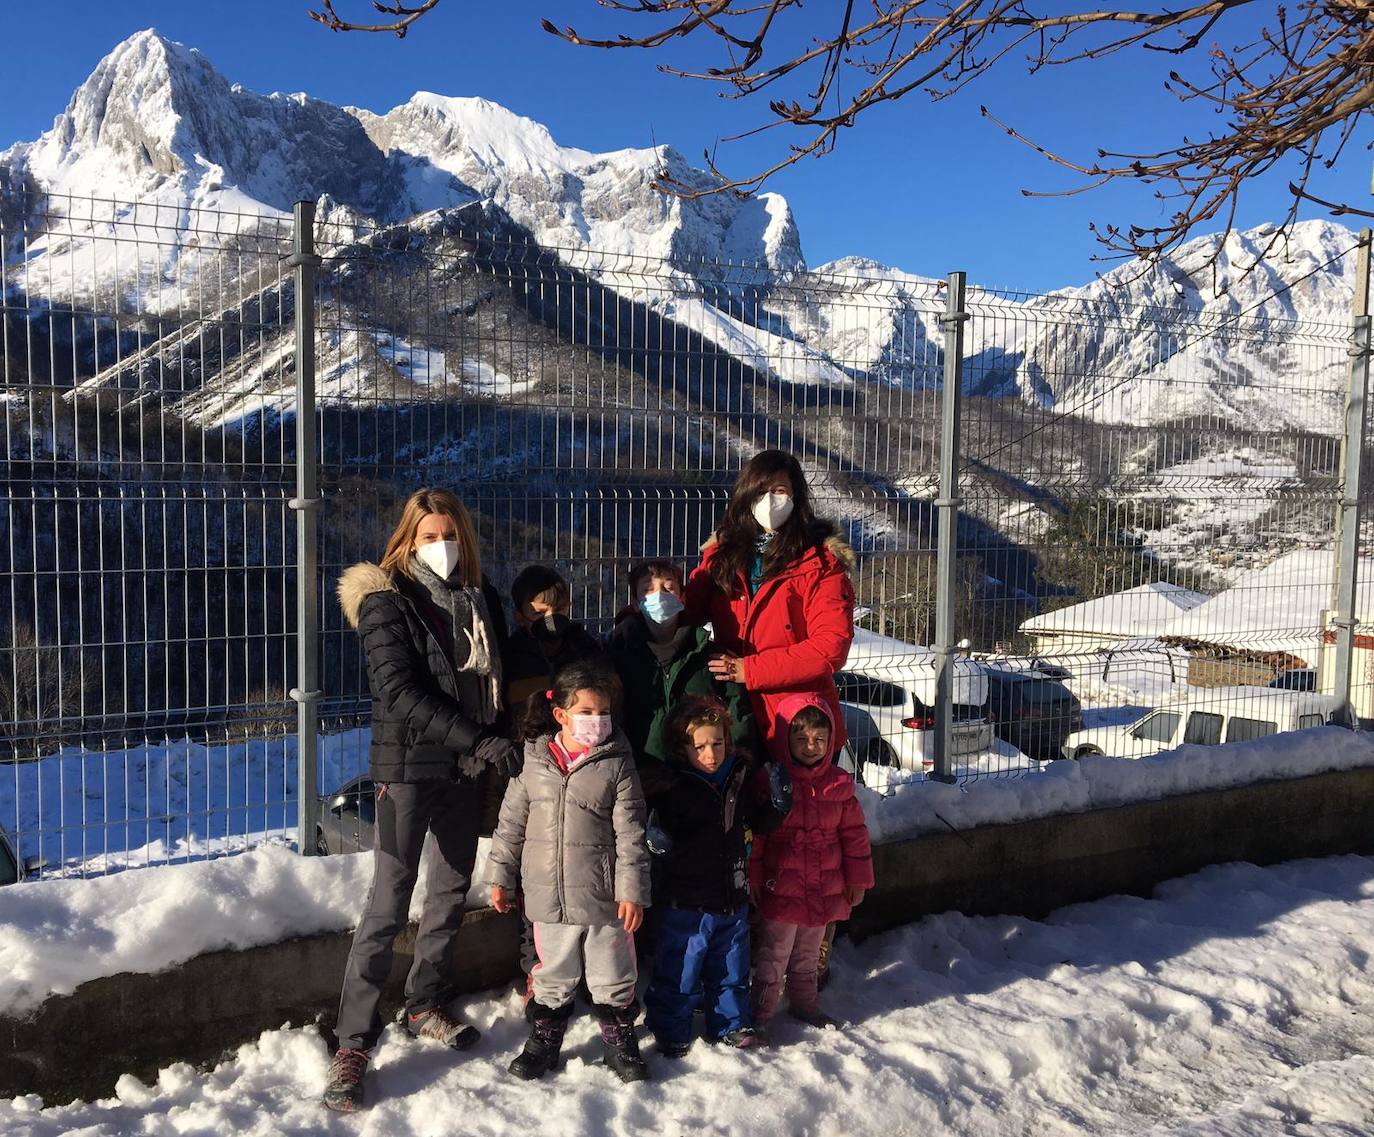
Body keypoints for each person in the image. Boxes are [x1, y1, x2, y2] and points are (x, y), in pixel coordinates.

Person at [324, 489, 519, 1113]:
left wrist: (494, 741)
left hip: (465, 766)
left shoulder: (481, 599)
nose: (442, 545)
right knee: (389, 899)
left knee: (449, 890)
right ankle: (353, 1041)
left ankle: (426, 1000)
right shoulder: (386, 601)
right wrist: (479, 739)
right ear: (408, 540)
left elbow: (497, 677)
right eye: (429, 535)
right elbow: (399, 692)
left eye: (450, 533)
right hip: (408, 769)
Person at [487, 659, 653, 1083]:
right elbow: (511, 824)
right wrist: (500, 876)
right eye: (586, 713)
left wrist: (631, 890)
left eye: (603, 713)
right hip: (547, 896)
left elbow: (632, 832)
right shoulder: (534, 762)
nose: (596, 722)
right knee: (552, 973)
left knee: (612, 973)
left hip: (604, 899)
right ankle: (546, 1038)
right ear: (560, 714)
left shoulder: (617, 761)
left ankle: (618, 1039)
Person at [642, 694, 791, 1057]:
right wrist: (655, 842)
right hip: (686, 901)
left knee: (731, 966)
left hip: (731, 894)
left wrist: (777, 807)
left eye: (718, 743)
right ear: (682, 748)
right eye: (700, 747)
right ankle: (670, 1027)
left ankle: (731, 1023)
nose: (711, 754)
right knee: (679, 967)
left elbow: (755, 822)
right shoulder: (672, 787)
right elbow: (655, 833)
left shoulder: (738, 778)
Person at [685, 449, 856, 757]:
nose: (769, 501)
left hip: (799, 722)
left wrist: (749, 670)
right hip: (735, 714)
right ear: (746, 494)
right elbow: (685, 613)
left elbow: (830, 646)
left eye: (780, 491)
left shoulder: (820, 562)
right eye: (761, 491)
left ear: (796, 497)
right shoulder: (723, 554)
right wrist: (643, 609)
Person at [501, 564, 606, 986]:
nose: (552, 614)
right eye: (541, 606)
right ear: (520, 614)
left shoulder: (587, 651)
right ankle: (538, 971)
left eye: (560, 605)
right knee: (537, 878)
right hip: (532, 777)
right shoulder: (508, 656)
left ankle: (587, 969)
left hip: (584, 775)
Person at [750, 693, 873, 1033]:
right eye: (801, 738)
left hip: (823, 885)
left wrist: (856, 880)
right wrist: (755, 878)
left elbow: (855, 837)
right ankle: (760, 1012)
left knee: (808, 952)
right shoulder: (772, 781)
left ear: (830, 741)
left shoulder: (839, 785)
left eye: (819, 739)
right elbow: (758, 838)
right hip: (783, 886)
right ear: (785, 738)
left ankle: (805, 1003)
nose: (810, 746)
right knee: (774, 951)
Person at [607, 558, 757, 797]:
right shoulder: (618, 656)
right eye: (648, 589)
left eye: (669, 588)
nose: (659, 596)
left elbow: (738, 712)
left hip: (701, 781)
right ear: (635, 602)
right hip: (639, 778)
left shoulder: (708, 656)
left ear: (682, 598)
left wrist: (736, 764)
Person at [504, 565, 605, 706]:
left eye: (559, 609)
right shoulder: (511, 658)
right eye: (539, 613)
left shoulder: (585, 648)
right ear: (519, 617)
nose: (550, 619)